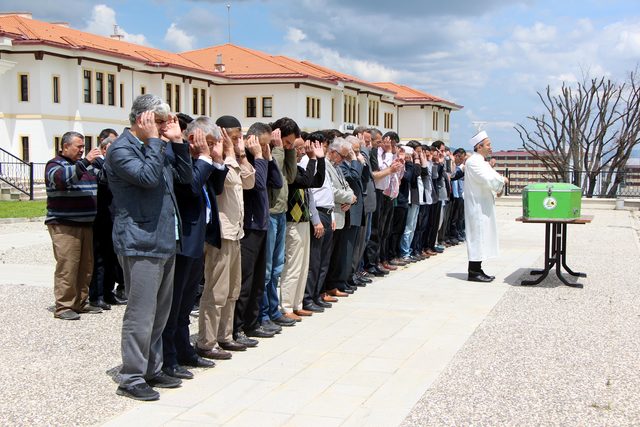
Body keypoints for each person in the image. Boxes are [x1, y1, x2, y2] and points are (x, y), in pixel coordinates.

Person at [106, 94, 193, 401]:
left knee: (160, 312)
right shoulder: (121, 149)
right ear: (142, 119)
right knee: (141, 313)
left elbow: (185, 177)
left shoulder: (156, 146)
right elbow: (147, 177)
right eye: (157, 121)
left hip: (164, 238)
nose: (161, 127)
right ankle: (130, 376)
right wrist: (157, 141)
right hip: (140, 240)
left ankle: (152, 368)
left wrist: (178, 141)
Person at [161, 116, 224, 380]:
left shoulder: (203, 160)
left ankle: (184, 350)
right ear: (193, 139)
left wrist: (217, 160)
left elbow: (215, 188)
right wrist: (206, 159)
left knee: (187, 302)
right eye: (207, 143)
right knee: (174, 304)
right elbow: (192, 187)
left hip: (198, 238)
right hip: (183, 238)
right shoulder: (180, 157)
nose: (209, 148)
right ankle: (169, 358)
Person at [45, 131, 103, 320]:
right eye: (78, 146)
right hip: (64, 224)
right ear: (65, 146)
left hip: (86, 224)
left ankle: (81, 302)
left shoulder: (85, 166)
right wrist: (85, 161)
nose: (81, 150)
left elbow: (102, 179)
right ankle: (63, 306)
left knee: (86, 266)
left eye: (83, 147)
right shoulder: (55, 165)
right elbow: (63, 179)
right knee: (68, 266)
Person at [464, 131, 508, 282]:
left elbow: (492, 176)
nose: (491, 147)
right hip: (476, 206)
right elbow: (488, 178)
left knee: (482, 237)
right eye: (488, 145)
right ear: (479, 146)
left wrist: (500, 181)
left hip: (482, 204)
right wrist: (502, 180)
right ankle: (474, 271)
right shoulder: (473, 162)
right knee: (477, 237)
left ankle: (478, 268)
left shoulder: (481, 161)